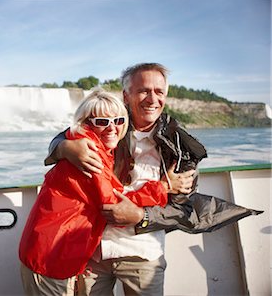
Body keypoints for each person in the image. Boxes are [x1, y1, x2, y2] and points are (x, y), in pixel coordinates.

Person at [46, 63, 261, 295]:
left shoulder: (179, 147)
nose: (152, 99)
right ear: (126, 96)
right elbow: (65, 137)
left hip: (143, 253)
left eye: (159, 92)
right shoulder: (108, 123)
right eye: (143, 91)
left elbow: (182, 208)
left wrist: (141, 216)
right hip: (91, 250)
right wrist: (64, 147)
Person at [19, 90, 172, 296]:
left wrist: (63, 146)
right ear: (85, 122)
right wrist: (163, 188)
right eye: (102, 121)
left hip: (60, 251)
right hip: (50, 255)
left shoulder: (90, 147)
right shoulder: (88, 155)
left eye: (118, 120)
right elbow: (114, 205)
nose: (112, 128)